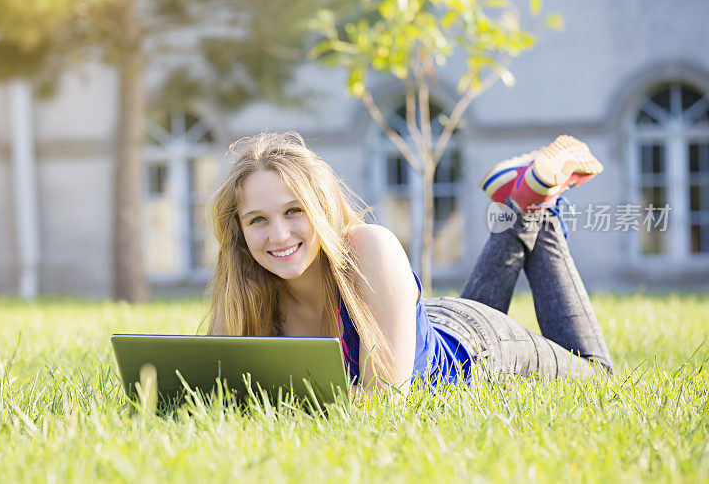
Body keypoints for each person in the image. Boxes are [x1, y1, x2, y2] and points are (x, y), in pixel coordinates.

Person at [205, 131, 613, 394]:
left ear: (323, 208)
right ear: (239, 231)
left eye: (294, 211)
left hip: (479, 348)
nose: (277, 235)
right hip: (420, 326)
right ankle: (522, 202)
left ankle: (534, 204)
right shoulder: (242, 280)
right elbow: (214, 391)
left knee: (598, 378)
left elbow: (383, 402)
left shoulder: (370, 248)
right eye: (257, 219)